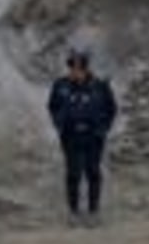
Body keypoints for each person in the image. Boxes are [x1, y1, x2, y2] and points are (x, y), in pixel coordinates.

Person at [47, 49, 118, 225]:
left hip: (93, 136)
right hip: (70, 136)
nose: (75, 72)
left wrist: (104, 128)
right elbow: (52, 106)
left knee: (93, 172)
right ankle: (73, 212)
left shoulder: (99, 86)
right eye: (72, 67)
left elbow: (111, 108)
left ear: (85, 69)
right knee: (73, 173)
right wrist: (59, 124)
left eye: (79, 68)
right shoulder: (61, 85)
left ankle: (94, 212)